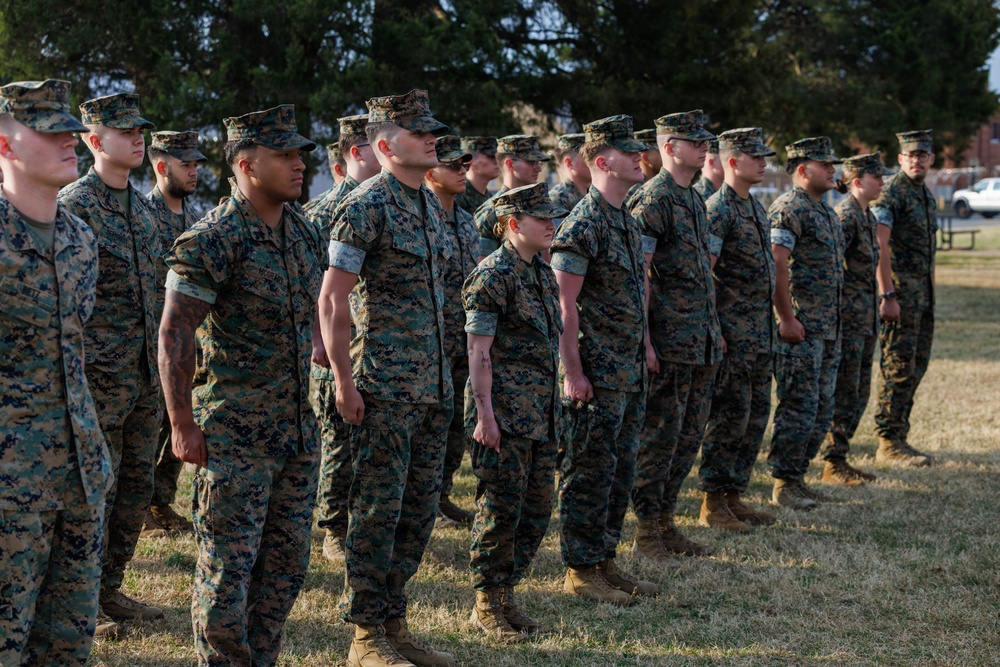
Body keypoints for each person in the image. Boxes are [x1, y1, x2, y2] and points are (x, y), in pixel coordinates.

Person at [159, 104, 324, 665]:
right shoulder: (212, 238)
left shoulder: (303, 232)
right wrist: (181, 422)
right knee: (229, 571)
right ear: (248, 166)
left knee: (284, 571)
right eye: (285, 155)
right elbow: (175, 333)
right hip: (235, 437)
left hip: (298, 435)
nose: (300, 163)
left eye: (301, 152)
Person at [319, 89, 456, 667]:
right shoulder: (367, 205)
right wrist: (345, 383)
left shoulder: (430, 206)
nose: (433, 139)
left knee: (419, 510)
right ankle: (365, 635)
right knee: (377, 510)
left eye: (432, 131)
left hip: (433, 388)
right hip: (383, 387)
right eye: (418, 132)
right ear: (383, 145)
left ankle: (395, 621)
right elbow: (332, 300)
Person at [0, 77, 114, 665]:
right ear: (6, 146)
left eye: (70, 127)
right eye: (49, 131)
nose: (70, 138)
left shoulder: (80, 238)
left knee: (67, 646)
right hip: (9, 485)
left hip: (80, 473)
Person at [59, 92, 164, 632]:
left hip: (144, 378)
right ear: (95, 142)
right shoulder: (74, 206)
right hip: (96, 380)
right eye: (126, 132)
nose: (138, 138)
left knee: (134, 491)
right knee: (90, 494)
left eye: (140, 130)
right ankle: (79, 602)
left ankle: (110, 589)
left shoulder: (145, 210)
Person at [551, 114, 657, 606]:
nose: (640, 158)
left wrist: (647, 347)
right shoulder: (582, 224)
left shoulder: (625, 220)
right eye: (628, 151)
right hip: (595, 372)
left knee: (620, 469)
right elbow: (564, 305)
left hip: (628, 369)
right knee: (589, 470)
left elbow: (639, 290)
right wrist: (572, 371)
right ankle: (580, 567)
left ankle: (605, 558)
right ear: (601, 161)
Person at [464, 182, 566, 640]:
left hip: (540, 414)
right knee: (499, 511)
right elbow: (478, 354)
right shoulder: (493, 275)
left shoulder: (540, 272)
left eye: (551, 216)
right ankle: (485, 602)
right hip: (504, 415)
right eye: (540, 218)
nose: (550, 224)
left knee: (537, 509)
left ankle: (507, 595)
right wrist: (485, 416)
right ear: (511, 225)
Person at [629, 110, 723, 557]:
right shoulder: (653, 201)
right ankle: (647, 530)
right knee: (660, 437)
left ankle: (667, 521)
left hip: (698, 341)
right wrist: (645, 341)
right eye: (695, 140)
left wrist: (713, 329)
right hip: (667, 343)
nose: (705, 146)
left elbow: (702, 273)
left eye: (706, 140)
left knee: (687, 437)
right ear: (669, 148)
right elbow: (640, 276)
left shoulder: (693, 200)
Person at [304, 113, 381, 563]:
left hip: (375, 350)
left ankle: (357, 519)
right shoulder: (324, 211)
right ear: (355, 153)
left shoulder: (389, 203)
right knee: (337, 441)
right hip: (336, 348)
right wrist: (320, 345)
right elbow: (314, 287)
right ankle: (332, 525)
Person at [699, 127, 778, 530]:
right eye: (757, 157)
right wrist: (719, 327)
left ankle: (734, 495)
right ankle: (712, 502)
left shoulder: (755, 207)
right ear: (732, 162)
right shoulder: (719, 210)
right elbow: (705, 275)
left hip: (760, 335)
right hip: (734, 337)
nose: (764, 162)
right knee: (729, 416)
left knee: (754, 416)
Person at [768, 136, 845, 510]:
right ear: (802, 170)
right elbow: (777, 264)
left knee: (821, 407)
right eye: (825, 164)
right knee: (799, 404)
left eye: (833, 164)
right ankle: (783, 483)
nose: (833, 170)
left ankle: (798, 477)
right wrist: (786, 317)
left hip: (828, 326)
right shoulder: (788, 208)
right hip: (800, 327)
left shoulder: (826, 211)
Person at [141, 130, 207, 539]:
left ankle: (160, 501)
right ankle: (141, 505)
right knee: (148, 434)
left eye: (197, 164)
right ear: (162, 167)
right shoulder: (143, 217)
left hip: (189, 348)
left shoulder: (195, 220)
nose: (195, 171)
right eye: (187, 165)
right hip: (149, 347)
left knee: (176, 428)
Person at [870, 130, 938, 467]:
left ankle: (899, 436)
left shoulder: (925, 195)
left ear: (931, 160)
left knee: (915, 367)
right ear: (900, 159)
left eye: (922, 155)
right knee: (897, 367)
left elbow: (929, 252)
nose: (916, 160)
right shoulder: (892, 193)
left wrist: (932, 292)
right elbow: (879, 246)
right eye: (910, 155)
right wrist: (888, 295)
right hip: (899, 297)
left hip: (922, 298)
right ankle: (887, 442)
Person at [823, 152, 891, 484]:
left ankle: (841, 457)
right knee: (845, 390)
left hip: (865, 317)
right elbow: (834, 272)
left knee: (859, 391)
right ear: (857, 181)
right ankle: (831, 462)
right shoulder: (846, 217)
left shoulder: (866, 215)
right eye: (876, 176)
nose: (882, 181)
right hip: (848, 320)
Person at [425, 135, 479, 527]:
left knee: (457, 425)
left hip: (463, 341)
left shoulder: (465, 219)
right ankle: (424, 503)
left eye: (464, 164)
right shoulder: (422, 216)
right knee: (428, 429)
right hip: (430, 344)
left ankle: (440, 496)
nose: (462, 171)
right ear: (430, 171)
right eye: (453, 166)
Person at [474, 135, 549, 258]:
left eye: (539, 162)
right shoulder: (491, 212)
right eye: (531, 162)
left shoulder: (540, 205)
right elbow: (482, 267)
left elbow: (545, 258)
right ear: (510, 164)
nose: (539, 168)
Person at [455, 136, 498, 214]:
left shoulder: (491, 198)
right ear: (471, 162)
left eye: (496, 157)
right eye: (491, 157)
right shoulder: (458, 198)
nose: (496, 161)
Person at [549, 133, 590, 214]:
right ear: (569, 163)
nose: (593, 161)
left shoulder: (592, 195)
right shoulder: (556, 200)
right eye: (587, 157)